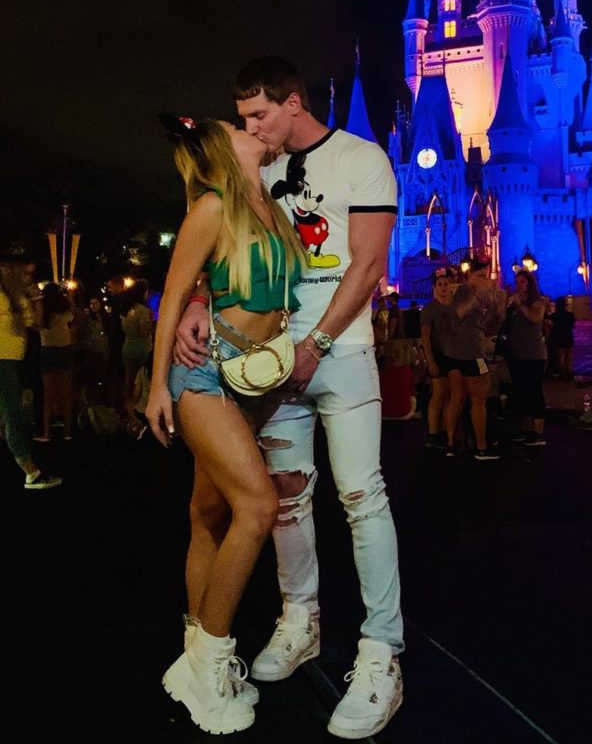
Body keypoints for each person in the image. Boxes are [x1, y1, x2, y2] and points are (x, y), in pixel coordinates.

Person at [175, 56, 404, 740]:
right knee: (287, 496)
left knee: (363, 497)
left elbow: (366, 266)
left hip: (342, 355)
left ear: (294, 104)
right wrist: (192, 297)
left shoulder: (362, 159)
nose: (251, 129)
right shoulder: (254, 169)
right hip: (264, 362)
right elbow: (212, 245)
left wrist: (319, 345)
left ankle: (381, 651)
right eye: (244, 119)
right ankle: (299, 621)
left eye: (258, 116)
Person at [145, 112, 304, 734]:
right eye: (239, 127)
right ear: (220, 147)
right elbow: (171, 298)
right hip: (204, 377)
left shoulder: (272, 209)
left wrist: (204, 300)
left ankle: (192, 650)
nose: (254, 129)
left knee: (207, 514)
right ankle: (209, 663)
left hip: (252, 383)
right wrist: (158, 385)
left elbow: (223, 289)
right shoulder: (211, 207)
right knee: (258, 506)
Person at [0, 255, 61, 489]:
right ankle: (31, 472)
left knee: (10, 413)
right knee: (13, 414)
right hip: (3, 358)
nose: (29, 277)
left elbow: (35, 324)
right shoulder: (4, 295)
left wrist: (37, 301)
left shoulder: (17, 296)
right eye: (26, 273)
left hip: (13, 358)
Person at [440, 257, 504, 460]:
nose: (484, 279)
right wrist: (480, 296)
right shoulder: (465, 292)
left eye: (485, 276)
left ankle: (450, 443)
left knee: (457, 398)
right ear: (470, 275)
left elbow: (483, 325)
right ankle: (481, 447)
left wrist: (494, 307)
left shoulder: (472, 294)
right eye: (480, 276)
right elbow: (459, 313)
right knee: (478, 400)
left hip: (459, 352)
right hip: (471, 354)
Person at [505, 270, 548, 447]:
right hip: (517, 354)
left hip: (533, 355)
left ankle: (538, 432)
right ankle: (522, 429)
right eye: (517, 281)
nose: (519, 285)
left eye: (522, 281)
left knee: (535, 391)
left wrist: (521, 305)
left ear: (529, 284)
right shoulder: (513, 305)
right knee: (519, 392)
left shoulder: (538, 302)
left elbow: (535, 318)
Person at [419, 268, 453, 450]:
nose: (443, 288)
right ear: (434, 288)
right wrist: (430, 361)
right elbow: (425, 336)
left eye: (446, 284)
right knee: (438, 394)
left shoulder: (454, 307)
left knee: (450, 396)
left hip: (453, 355)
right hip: (438, 355)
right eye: (440, 285)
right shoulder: (430, 309)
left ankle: (448, 432)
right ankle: (433, 433)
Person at [35, 282, 74, 442]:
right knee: (66, 393)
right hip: (64, 348)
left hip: (48, 350)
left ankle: (46, 433)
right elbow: (72, 319)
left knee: (48, 394)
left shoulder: (43, 311)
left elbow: (36, 325)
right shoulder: (64, 309)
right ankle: (67, 431)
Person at [120, 278, 153, 421]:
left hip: (128, 344)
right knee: (141, 380)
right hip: (141, 347)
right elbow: (144, 331)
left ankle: (126, 411)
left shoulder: (126, 309)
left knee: (128, 380)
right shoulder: (143, 310)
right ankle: (138, 412)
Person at [548, 296, 576, 379]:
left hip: (558, 336)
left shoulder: (554, 315)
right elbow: (573, 326)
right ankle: (568, 372)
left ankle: (561, 373)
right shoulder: (570, 315)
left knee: (560, 357)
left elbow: (550, 325)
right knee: (569, 356)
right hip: (568, 336)